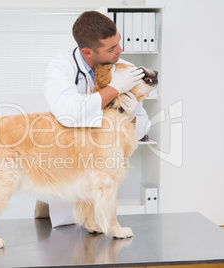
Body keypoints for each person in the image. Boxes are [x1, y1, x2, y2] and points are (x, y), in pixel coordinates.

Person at [38, 11, 150, 226]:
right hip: (65, 170)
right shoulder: (61, 67)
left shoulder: (122, 66)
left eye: (119, 41)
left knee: (101, 236)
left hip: (102, 171)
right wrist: (115, 88)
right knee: (63, 240)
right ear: (87, 52)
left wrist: (132, 115)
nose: (120, 50)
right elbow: (69, 113)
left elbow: (140, 130)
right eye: (111, 48)